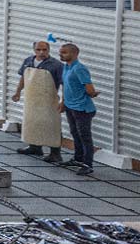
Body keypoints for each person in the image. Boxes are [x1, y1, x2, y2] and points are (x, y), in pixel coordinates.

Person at [10, 38, 65, 162]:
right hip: (32, 99)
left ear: (49, 50)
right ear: (34, 50)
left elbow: (64, 83)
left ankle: (55, 153)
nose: (41, 52)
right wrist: (18, 92)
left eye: (44, 50)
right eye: (38, 50)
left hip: (49, 100)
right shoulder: (28, 61)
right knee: (32, 122)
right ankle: (35, 146)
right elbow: (23, 78)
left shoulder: (56, 65)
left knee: (52, 125)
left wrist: (63, 100)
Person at [57, 41, 99, 176]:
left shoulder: (79, 68)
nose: (61, 55)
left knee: (85, 136)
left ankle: (88, 164)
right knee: (75, 133)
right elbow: (65, 86)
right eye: (60, 52)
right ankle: (78, 158)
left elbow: (89, 88)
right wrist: (63, 102)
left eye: (64, 52)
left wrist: (93, 93)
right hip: (70, 106)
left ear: (75, 53)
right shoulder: (66, 67)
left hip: (82, 108)